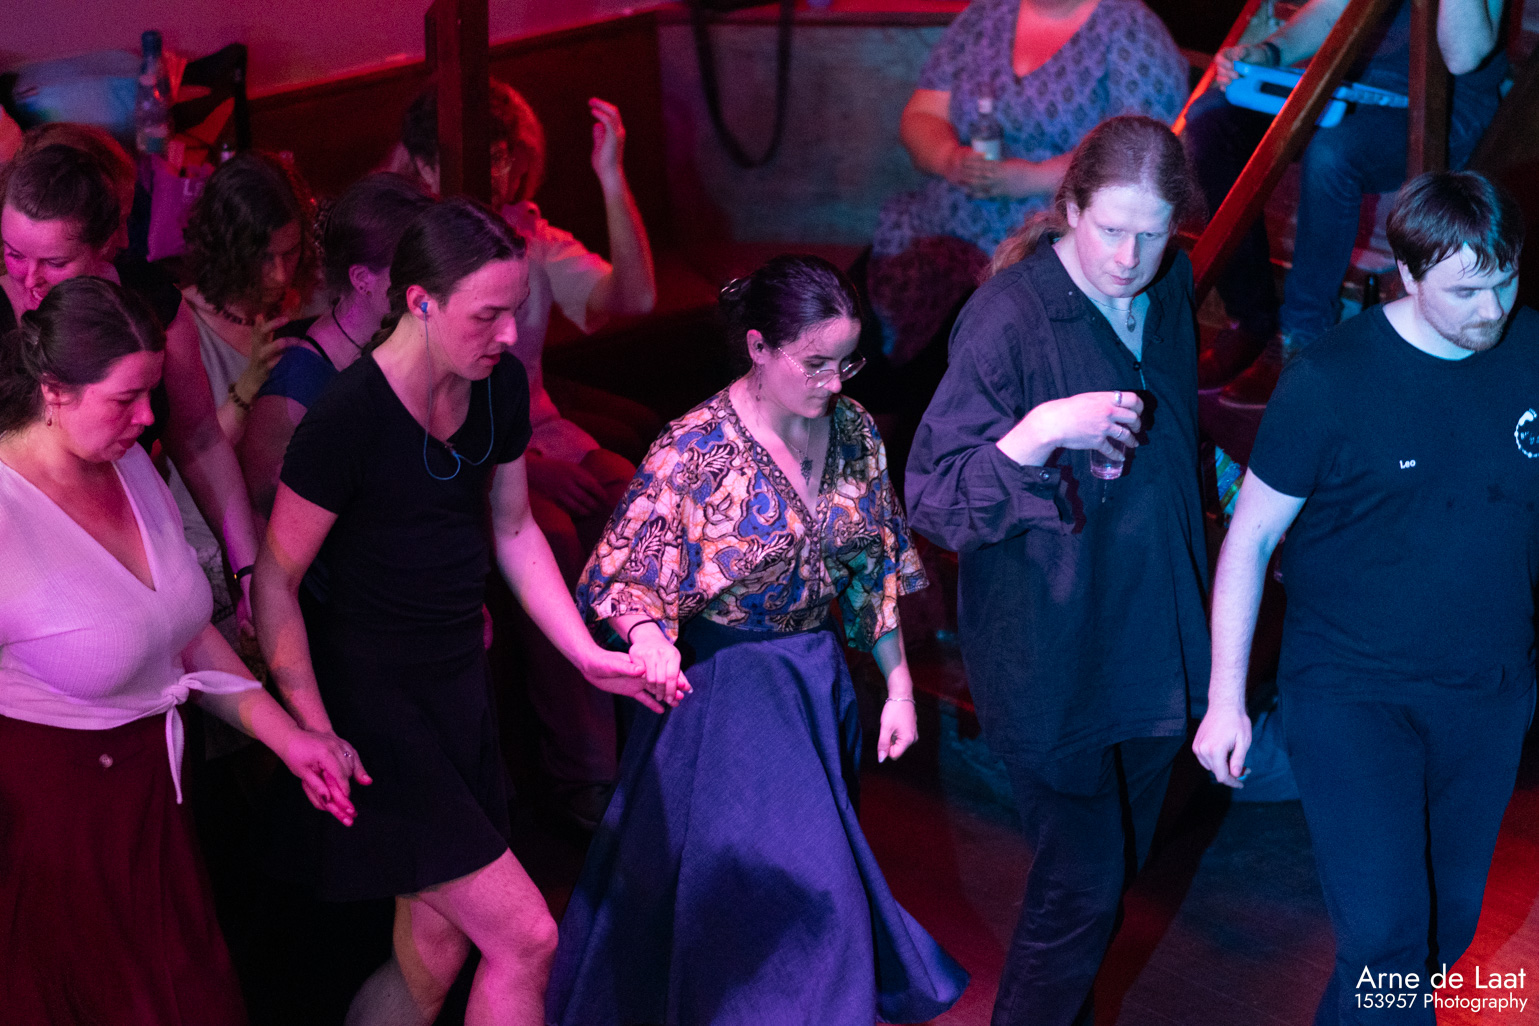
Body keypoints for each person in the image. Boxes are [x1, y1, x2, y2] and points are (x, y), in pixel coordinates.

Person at [255, 198, 653, 1025]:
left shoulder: (496, 385)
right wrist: (313, 730)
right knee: (528, 939)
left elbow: (513, 529)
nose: (509, 335)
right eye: (487, 316)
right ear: (420, 302)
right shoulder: (346, 419)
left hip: (456, 693)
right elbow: (275, 580)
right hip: (376, 717)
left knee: (435, 954)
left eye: (516, 310)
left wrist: (583, 653)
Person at [548, 255, 969, 1026]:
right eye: (814, 363)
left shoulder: (852, 430)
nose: (833, 382)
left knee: (775, 905)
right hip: (726, 699)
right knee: (814, 895)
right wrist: (650, 640)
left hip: (815, 689)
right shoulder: (695, 446)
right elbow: (630, 572)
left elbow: (871, 566)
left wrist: (899, 687)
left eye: (847, 363)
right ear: (758, 347)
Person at [1194, 170, 1537, 1025]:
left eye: (1505, 280)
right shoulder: (1331, 381)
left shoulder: (1531, 348)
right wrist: (1225, 701)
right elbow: (1250, 539)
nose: (1491, 308)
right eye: (1465, 290)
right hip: (1351, 692)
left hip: (1489, 692)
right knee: (1386, 936)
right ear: (1407, 274)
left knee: (1440, 939)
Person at [905, 116, 1210, 1026]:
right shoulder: (1008, 316)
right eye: (1110, 228)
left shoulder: (1170, 285)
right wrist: (1039, 433)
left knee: (1107, 882)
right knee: (1079, 888)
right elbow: (933, 499)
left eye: (1151, 233)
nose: (1127, 257)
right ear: (1069, 207)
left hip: (1151, 640)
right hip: (1051, 653)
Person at [0, 276, 358, 1025]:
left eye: (151, 393)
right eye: (126, 398)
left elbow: (182, 635)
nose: (147, 417)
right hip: (52, 830)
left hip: (156, 804)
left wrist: (290, 737)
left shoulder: (128, 461)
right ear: (54, 392)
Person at [393, 79, 658, 829]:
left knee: (638, 500)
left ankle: (656, 727)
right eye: (484, 155)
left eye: (507, 154)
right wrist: (533, 470)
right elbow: (423, 406)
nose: (499, 170)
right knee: (557, 534)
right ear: (427, 165)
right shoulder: (421, 256)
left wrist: (611, 178)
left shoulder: (529, 237)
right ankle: (586, 771)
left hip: (538, 427)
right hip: (461, 453)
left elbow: (631, 299)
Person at [0, 128, 261, 633]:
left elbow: (200, 439)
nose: (29, 279)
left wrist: (246, 567)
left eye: (55, 263)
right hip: (39, 583)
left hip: (143, 548)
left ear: (104, 247)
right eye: (13, 254)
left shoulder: (149, 300)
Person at [1185, 0, 1508, 403]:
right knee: (1212, 121)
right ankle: (1251, 319)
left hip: (1445, 102)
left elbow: (1464, 56)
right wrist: (1270, 52)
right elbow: (1332, 9)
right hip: (1352, 87)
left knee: (1332, 155)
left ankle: (1302, 338)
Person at [868, 0, 1189, 370]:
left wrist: (1031, 176)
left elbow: (1142, 160)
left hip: (1052, 232)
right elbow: (922, 113)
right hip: (944, 221)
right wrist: (949, 158)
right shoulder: (986, 14)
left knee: (969, 353)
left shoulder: (1130, 28)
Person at [238, 172, 433, 526]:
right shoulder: (298, 384)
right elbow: (268, 512)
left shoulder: (405, 343)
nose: (428, 285)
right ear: (361, 279)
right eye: (411, 270)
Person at [178, 150, 317, 634]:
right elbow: (195, 458)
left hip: (300, 538)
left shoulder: (310, 307)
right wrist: (250, 382)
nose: (279, 274)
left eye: (290, 253)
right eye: (263, 258)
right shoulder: (183, 325)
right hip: (220, 554)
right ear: (228, 250)